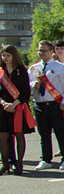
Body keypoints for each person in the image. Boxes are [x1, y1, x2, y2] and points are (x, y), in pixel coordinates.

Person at [28, 40, 64, 171]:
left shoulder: (59, 67)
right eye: (39, 50)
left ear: (51, 51)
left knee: (60, 132)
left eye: (44, 50)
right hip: (39, 104)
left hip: (55, 104)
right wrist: (33, 85)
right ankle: (46, 159)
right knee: (44, 134)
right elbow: (28, 84)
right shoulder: (33, 68)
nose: (41, 53)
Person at [0, 45, 34, 175]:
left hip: (18, 107)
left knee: (19, 134)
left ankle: (19, 163)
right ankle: (5, 163)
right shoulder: (1, 71)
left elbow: (25, 92)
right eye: (3, 55)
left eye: (8, 55)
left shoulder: (21, 70)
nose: (5, 58)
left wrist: (13, 104)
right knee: (3, 135)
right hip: (3, 108)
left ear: (14, 56)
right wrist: (3, 103)